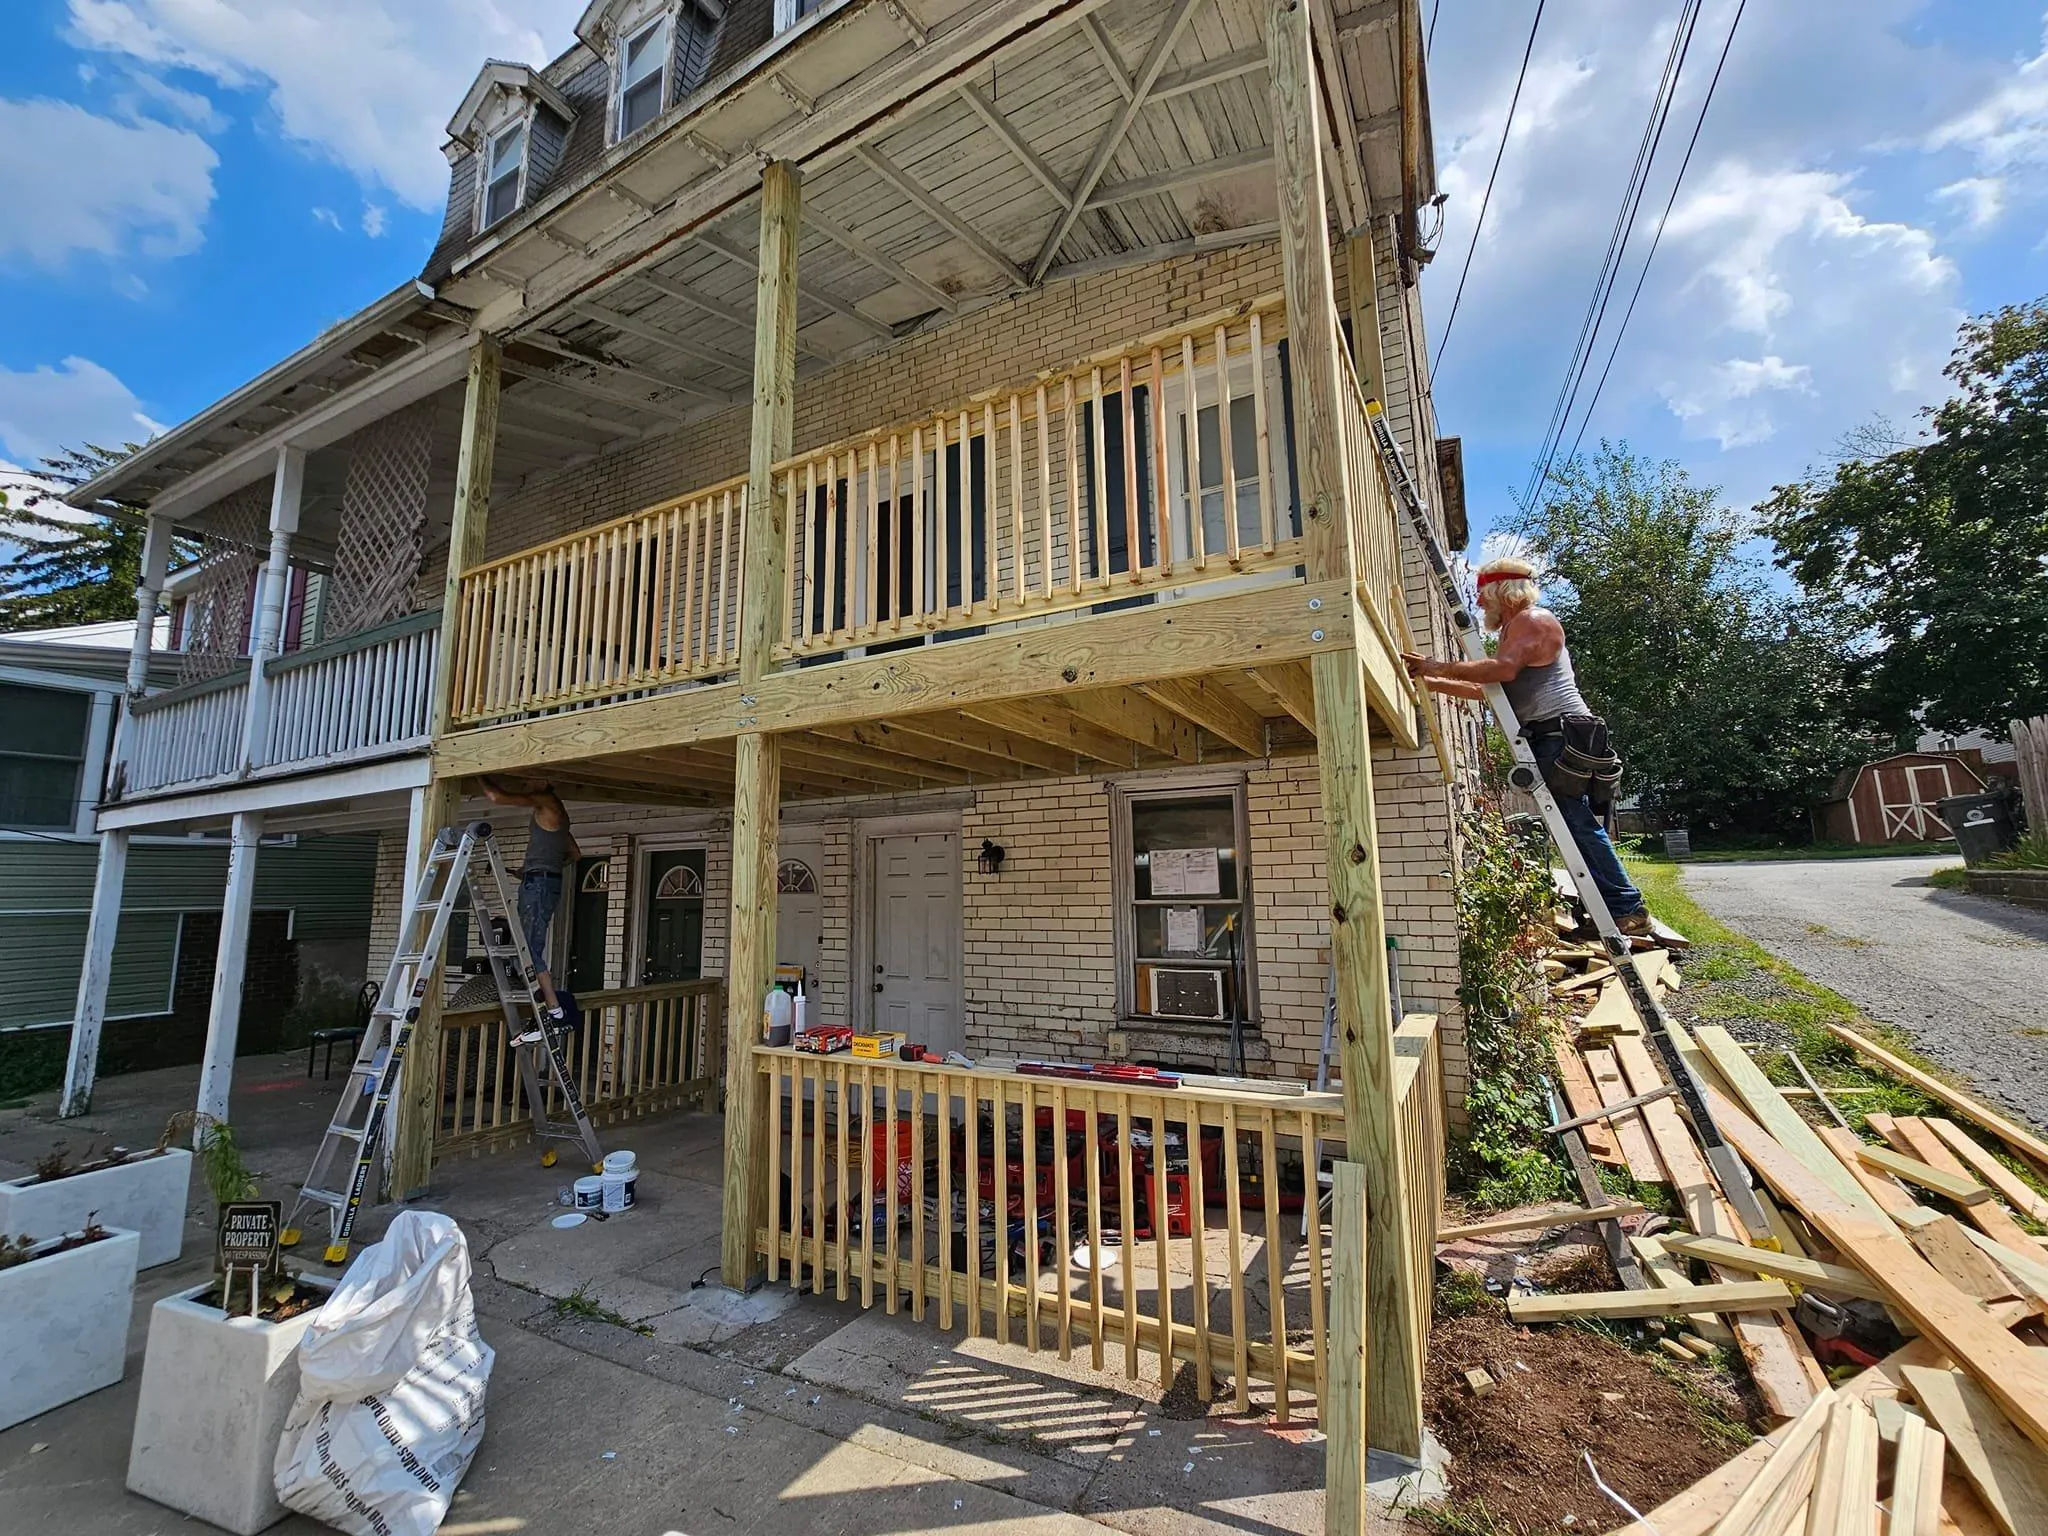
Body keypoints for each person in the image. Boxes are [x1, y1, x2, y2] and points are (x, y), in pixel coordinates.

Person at [1403, 556, 1653, 935]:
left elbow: (1500, 670)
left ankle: (1626, 906)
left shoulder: (1532, 621)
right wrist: (1432, 682)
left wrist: (1436, 666)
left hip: (1560, 734)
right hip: (1552, 735)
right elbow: (1485, 690)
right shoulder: (1514, 631)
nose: (1480, 604)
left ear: (1503, 592)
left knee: (1577, 824)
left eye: (1484, 596)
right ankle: (1613, 906)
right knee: (1572, 825)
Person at [480, 777, 580, 1028]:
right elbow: (575, 854)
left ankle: (554, 1011)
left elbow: (497, 797)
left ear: (545, 781)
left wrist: (480, 775)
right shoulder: (560, 813)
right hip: (542, 882)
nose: (525, 782)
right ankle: (550, 1007)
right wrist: (537, 870)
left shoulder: (546, 801)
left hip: (539, 885)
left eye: (530, 779)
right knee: (525, 947)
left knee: (529, 949)